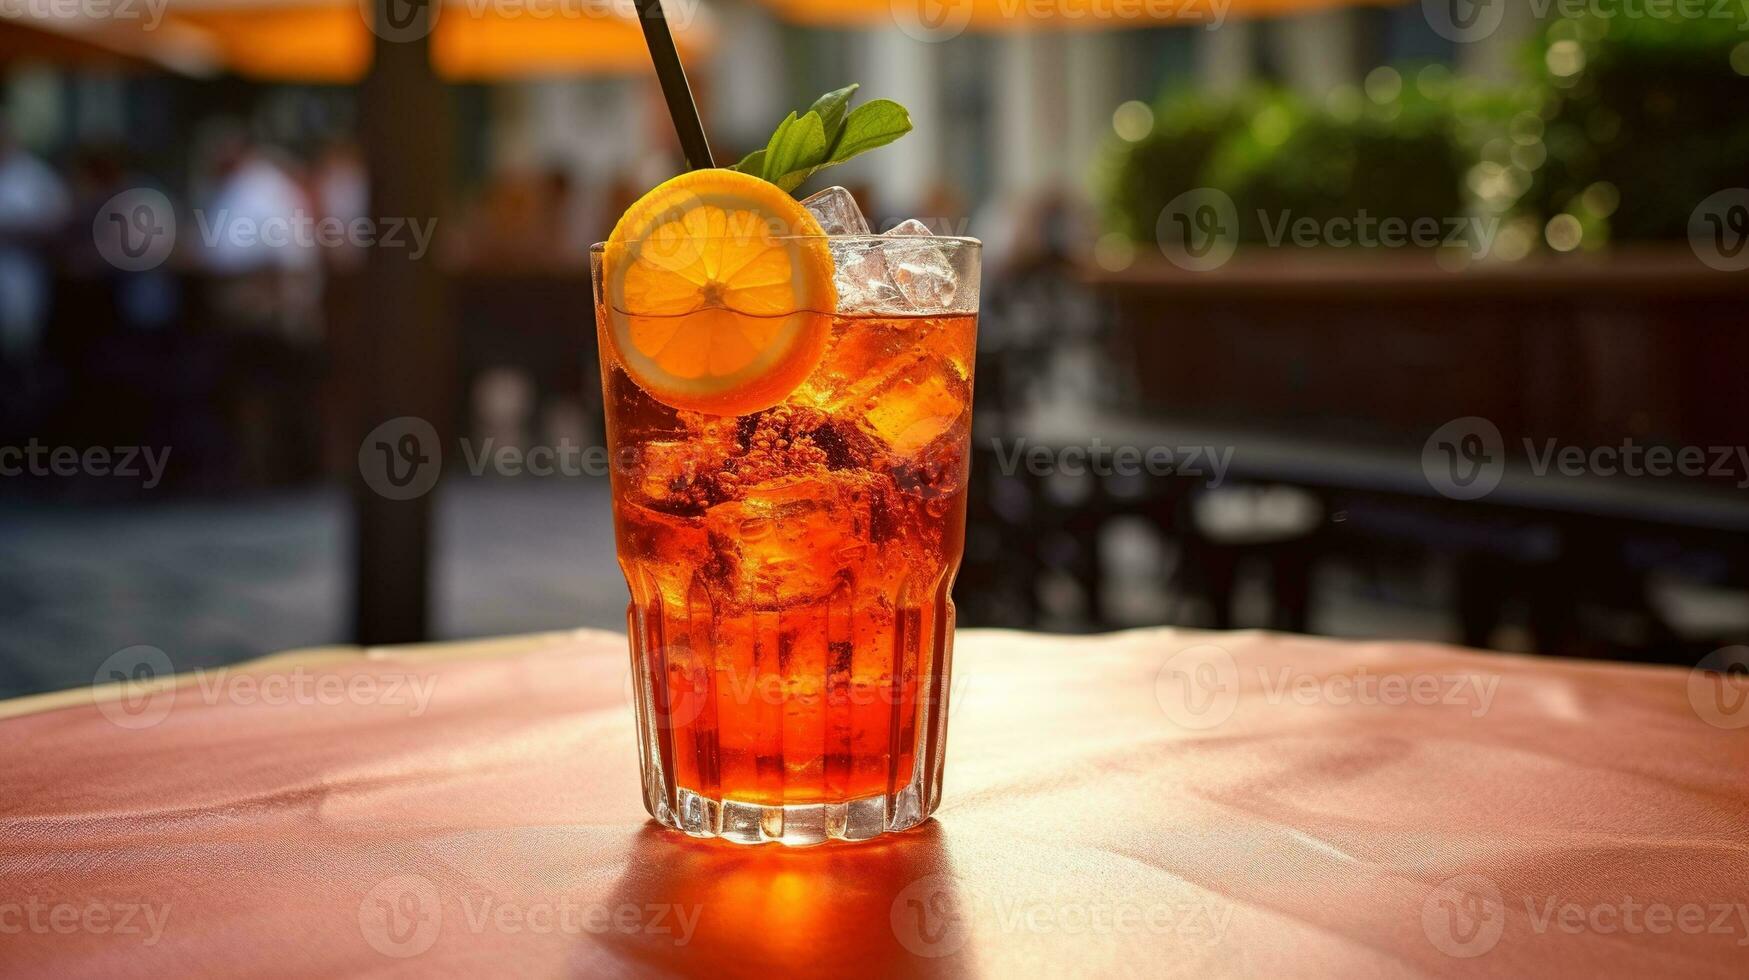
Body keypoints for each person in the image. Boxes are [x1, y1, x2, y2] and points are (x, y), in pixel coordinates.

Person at [0, 122, 70, 361]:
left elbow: (58, 221)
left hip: (22, 272)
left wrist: (15, 231)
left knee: (20, 344)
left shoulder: (33, 175)